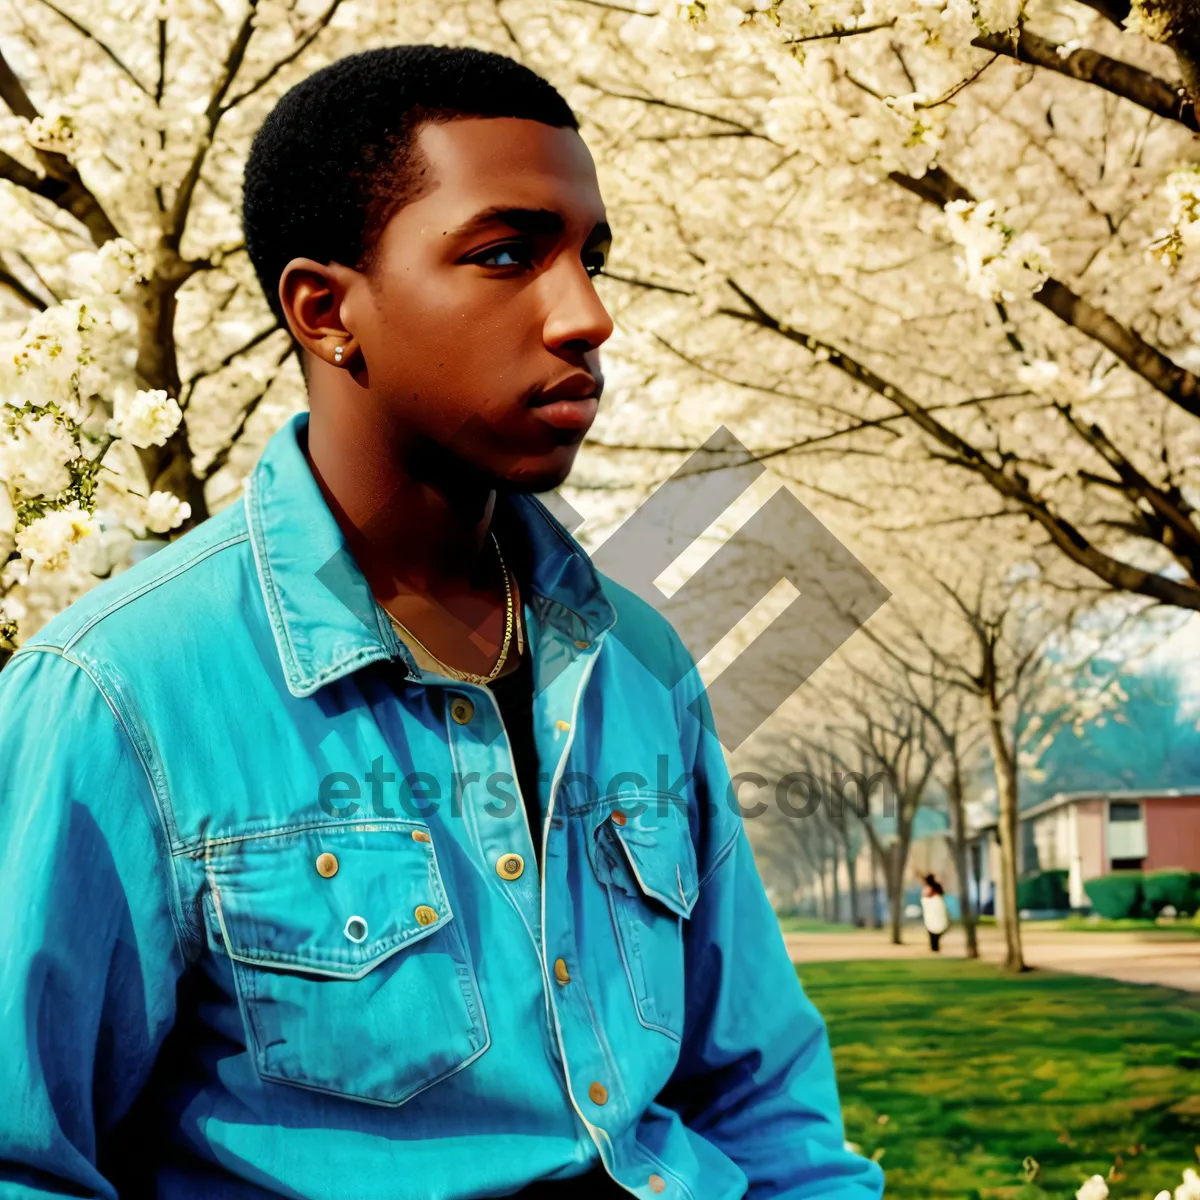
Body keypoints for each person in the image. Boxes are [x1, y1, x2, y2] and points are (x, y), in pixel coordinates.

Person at [0, 44, 884, 1200]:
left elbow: (765, 1105)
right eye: (507, 255)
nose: (588, 316)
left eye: (592, 257)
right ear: (326, 311)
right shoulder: (117, 692)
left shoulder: (642, 662)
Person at [920, 873, 950, 952]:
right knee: (933, 930)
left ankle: (934, 946)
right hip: (933, 913)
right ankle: (934, 947)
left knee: (933, 930)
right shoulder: (934, 887)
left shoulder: (930, 888)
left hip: (934, 913)